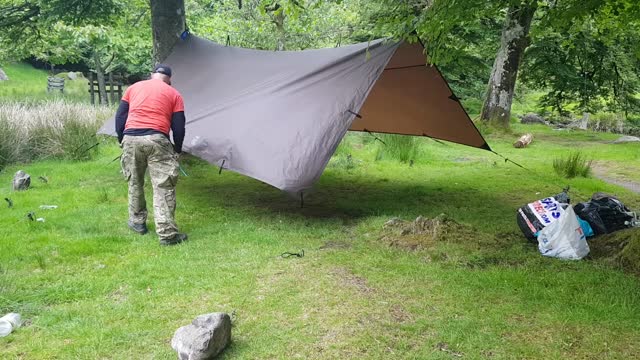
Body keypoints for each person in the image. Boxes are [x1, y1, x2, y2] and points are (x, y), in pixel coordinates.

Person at [115, 64, 188, 246]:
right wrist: (177, 148)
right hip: (157, 138)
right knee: (163, 185)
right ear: (169, 80)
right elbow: (179, 126)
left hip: (131, 137)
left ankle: (137, 222)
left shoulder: (133, 88)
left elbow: (120, 116)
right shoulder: (174, 94)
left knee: (134, 181)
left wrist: (121, 138)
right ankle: (167, 234)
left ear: (152, 75)